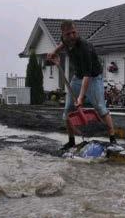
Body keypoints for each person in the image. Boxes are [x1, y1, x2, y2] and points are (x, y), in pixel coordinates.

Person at [47, 20, 119, 151]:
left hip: (93, 78)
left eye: (74, 33)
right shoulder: (65, 41)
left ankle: (113, 140)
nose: (72, 36)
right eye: (68, 34)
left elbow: (87, 76)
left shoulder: (84, 47)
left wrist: (80, 98)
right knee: (68, 110)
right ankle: (71, 141)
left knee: (100, 107)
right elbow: (62, 45)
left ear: (76, 31)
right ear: (63, 34)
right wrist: (54, 52)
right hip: (77, 77)